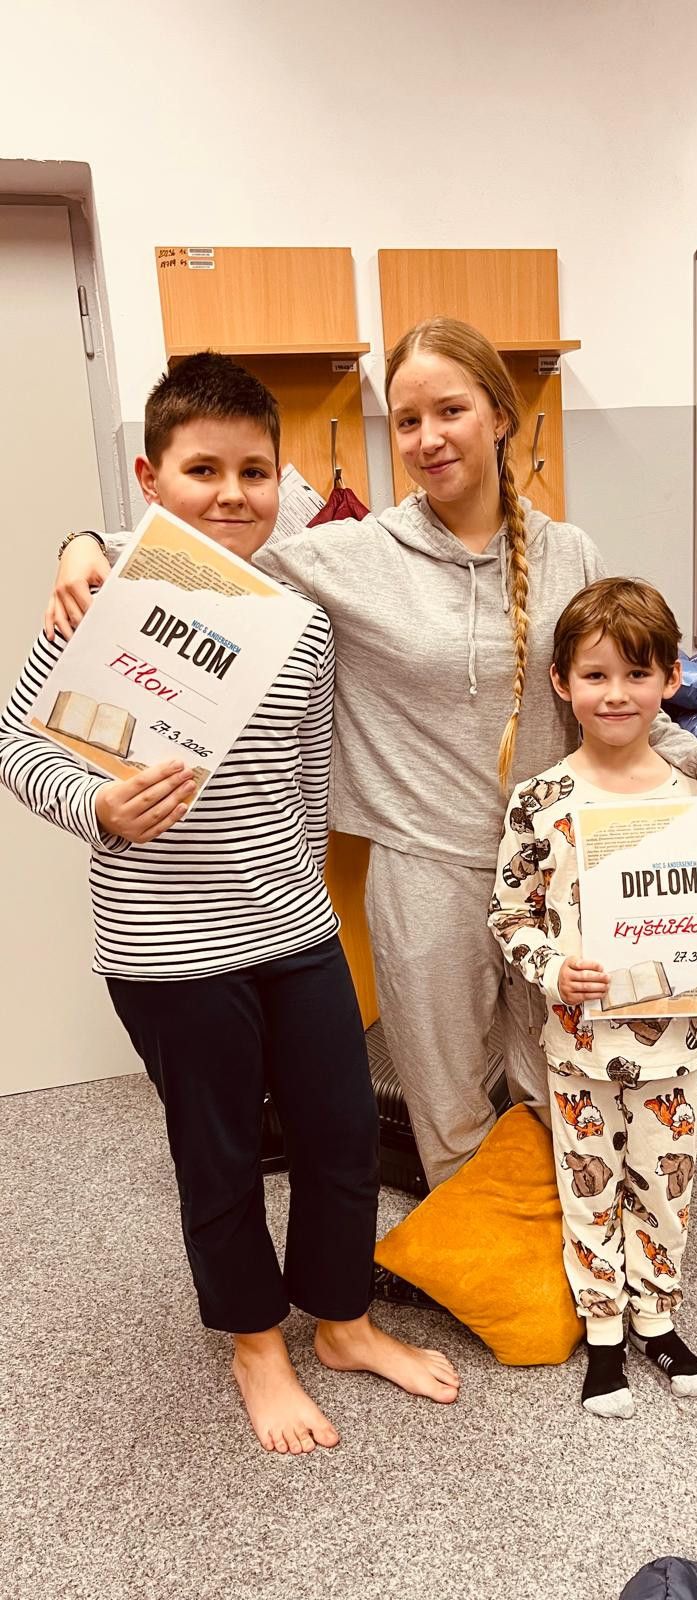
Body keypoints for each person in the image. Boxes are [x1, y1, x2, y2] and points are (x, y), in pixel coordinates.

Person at [46, 318, 697, 1193]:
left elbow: (617, 707)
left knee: (561, 1084)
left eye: (449, 411)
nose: (427, 438)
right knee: (449, 1107)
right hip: (425, 873)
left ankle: (569, 1250)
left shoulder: (570, 552)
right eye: (408, 420)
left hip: (557, 864)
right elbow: (204, 551)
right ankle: (474, 1254)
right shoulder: (348, 555)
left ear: (500, 415)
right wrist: (83, 542)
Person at [1, 352, 459, 1457]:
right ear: (151, 477)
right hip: (166, 949)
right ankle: (256, 1342)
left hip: (293, 930)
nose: (231, 493)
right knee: (218, 1155)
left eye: (254, 472)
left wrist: (302, 881)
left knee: (341, 1135)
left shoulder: (300, 621)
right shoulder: (99, 598)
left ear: (279, 482)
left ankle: (342, 1321)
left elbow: (307, 776)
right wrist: (98, 805)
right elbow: (19, 745)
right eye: (202, 470)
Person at [488, 577, 697, 1418]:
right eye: (596, 675)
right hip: (578, 1045)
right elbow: (509, 914)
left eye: (637, 674)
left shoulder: (696, 803)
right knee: (590, 1185)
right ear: (563, 683)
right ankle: (603, 1330)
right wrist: (552, 968)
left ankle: (657, 1318)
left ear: (670, 680)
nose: (616, 694)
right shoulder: (541, 801)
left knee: (666, 1188)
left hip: (677, 1046)